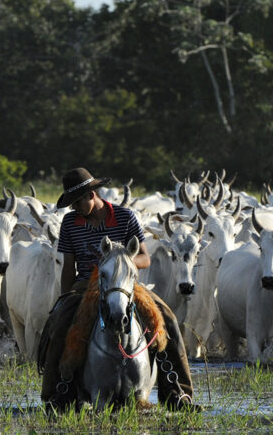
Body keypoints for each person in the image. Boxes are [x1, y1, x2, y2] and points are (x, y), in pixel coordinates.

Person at [37, 167, 197, 411]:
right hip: (86, 284)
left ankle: (178, 392)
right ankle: (57, 392)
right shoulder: (70, 223)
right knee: (59, 324)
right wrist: (65, 298)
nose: (74, 209)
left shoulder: (125, 216)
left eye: (76, 203)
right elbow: (69, 267)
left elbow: (145, 258)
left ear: (91, 195)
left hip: (125, 283)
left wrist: (123, 263)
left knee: (168, 319)